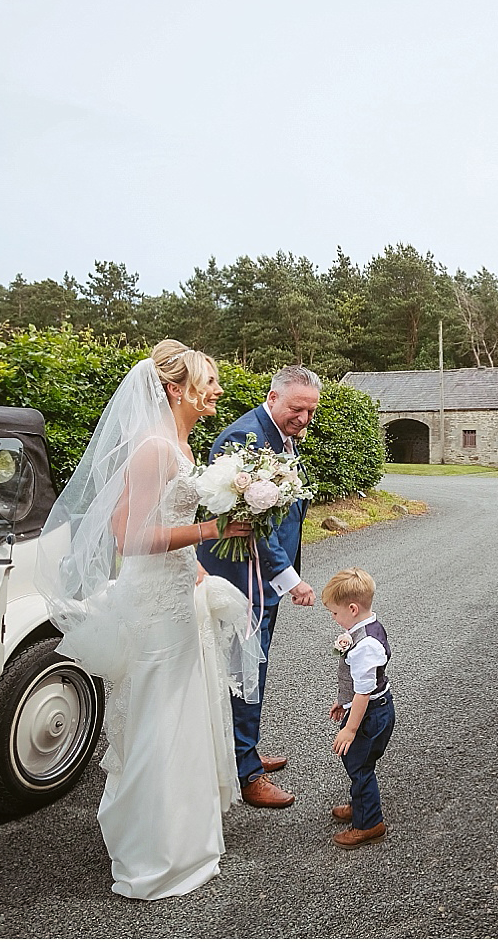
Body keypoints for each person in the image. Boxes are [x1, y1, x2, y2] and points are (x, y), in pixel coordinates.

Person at [37, 339, 257, 900]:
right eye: (208, 380)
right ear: (174, 389)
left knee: (179, 712)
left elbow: (137, 515)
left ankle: (184, 840)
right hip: (154, 602)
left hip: (177, 590)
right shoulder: (154, 448)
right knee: (159, 717)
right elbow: (128, 536)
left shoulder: (177, 444)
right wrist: (213, 532)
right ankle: (155, 855)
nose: (217, 391)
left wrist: (196, 565)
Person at [197, 365, 320, 808]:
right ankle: (245, 773)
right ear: (272, 398)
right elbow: (250, 525)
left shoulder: (278, 435)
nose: (303, 419)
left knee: (252, 667)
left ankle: (241, 751)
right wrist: (289, 579)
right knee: (243, 670)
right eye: (295, 409)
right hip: (242, 576)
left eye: (310, 411)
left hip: (259, 577)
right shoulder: (243, 439)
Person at [323, 567, 396, 849]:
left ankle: (369, 823)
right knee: (359, 761)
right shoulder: (366, 628)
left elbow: (365, 691)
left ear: (352, 609)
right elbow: (357, 684)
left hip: (370, 715)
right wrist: (343, 700)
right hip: (370, 708)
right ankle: (361, 804)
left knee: (359, 764)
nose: (333, 618)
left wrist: (350, 730)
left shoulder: (365, 644)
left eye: (334, 613)